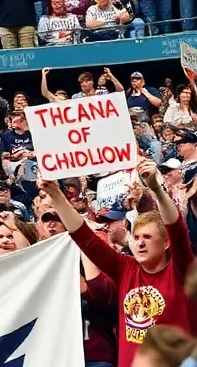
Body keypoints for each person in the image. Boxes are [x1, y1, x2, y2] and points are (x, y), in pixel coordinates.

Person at [42, 157, 193, 366]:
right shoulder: (125, 267)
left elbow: (176, 229)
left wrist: (156, 189)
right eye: (136, 237)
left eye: (147, 237)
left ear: (166, 243)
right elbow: (85, 238)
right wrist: (56, 195)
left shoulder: (182, 270)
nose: (140, 243)